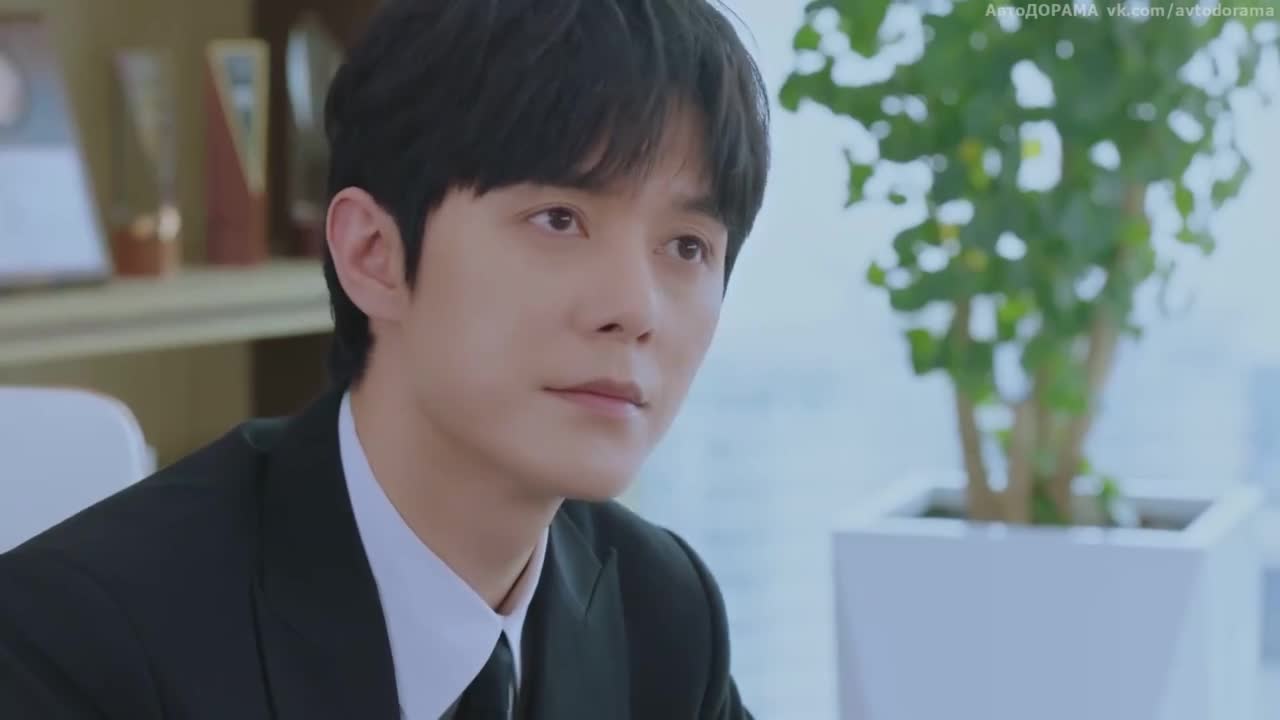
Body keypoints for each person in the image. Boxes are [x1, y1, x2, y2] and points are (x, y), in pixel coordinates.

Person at [0, 0, 770, 717]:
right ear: (373, 253)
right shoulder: (76, 643)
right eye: (559, 219)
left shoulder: (661, 611)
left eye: (686, 246)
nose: (636, 309)